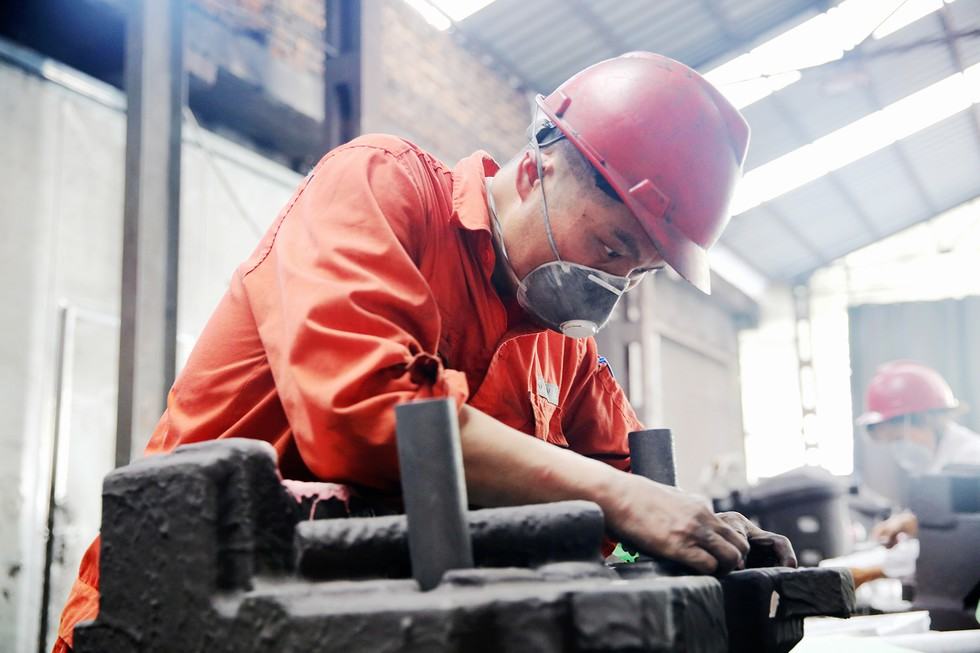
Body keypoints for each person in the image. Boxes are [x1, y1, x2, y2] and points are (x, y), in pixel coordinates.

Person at [53, 52, 796, 652]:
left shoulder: (559, 349)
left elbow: (630, 482)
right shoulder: (383, 186)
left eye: (636, 273)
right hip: (179, 609)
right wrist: (624, 500)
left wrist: (712, 538)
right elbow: (363, 411)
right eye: (611, 246)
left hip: (359, 623)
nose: (611, 283)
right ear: (539, 167)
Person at [858, 360, 980, 547]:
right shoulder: (935, 463)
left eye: (898, 438)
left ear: (925, 419)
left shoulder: (970, 461)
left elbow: (958, 539)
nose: (897, 449)